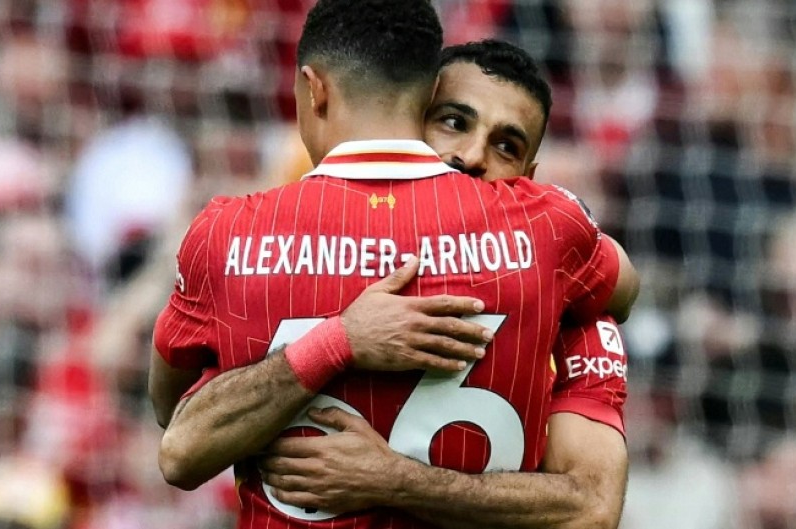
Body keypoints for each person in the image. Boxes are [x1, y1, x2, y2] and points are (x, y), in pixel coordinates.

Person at [152, 3, 637, 529]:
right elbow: (178, 446)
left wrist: (392, 478)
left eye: (506, 145)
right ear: (416, 109)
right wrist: (340, 339)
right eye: (454, 121)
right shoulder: (554, 237)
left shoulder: (235, 233)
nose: (471, 156)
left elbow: (591, 508)